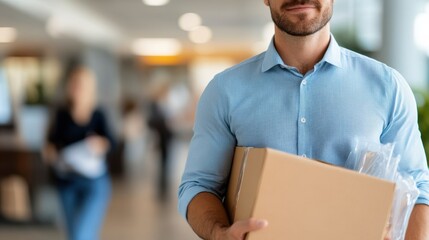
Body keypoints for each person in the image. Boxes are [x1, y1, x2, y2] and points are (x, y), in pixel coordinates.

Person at [178, 0, 429, 239]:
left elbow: (418, 190)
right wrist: (220, 234)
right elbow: (199, 186)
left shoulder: (387, 86)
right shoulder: (225, 90)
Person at [44, 64, 114, 240]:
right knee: (75, 234)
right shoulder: (61, 115)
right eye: (74, 84)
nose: (77, 88)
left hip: (94, 182)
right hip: (67, 181)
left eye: (82, 84)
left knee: (81, 235)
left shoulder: (98, 114)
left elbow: (111, 142)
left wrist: (100, 143)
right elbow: (51, 143)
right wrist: (50, 153)